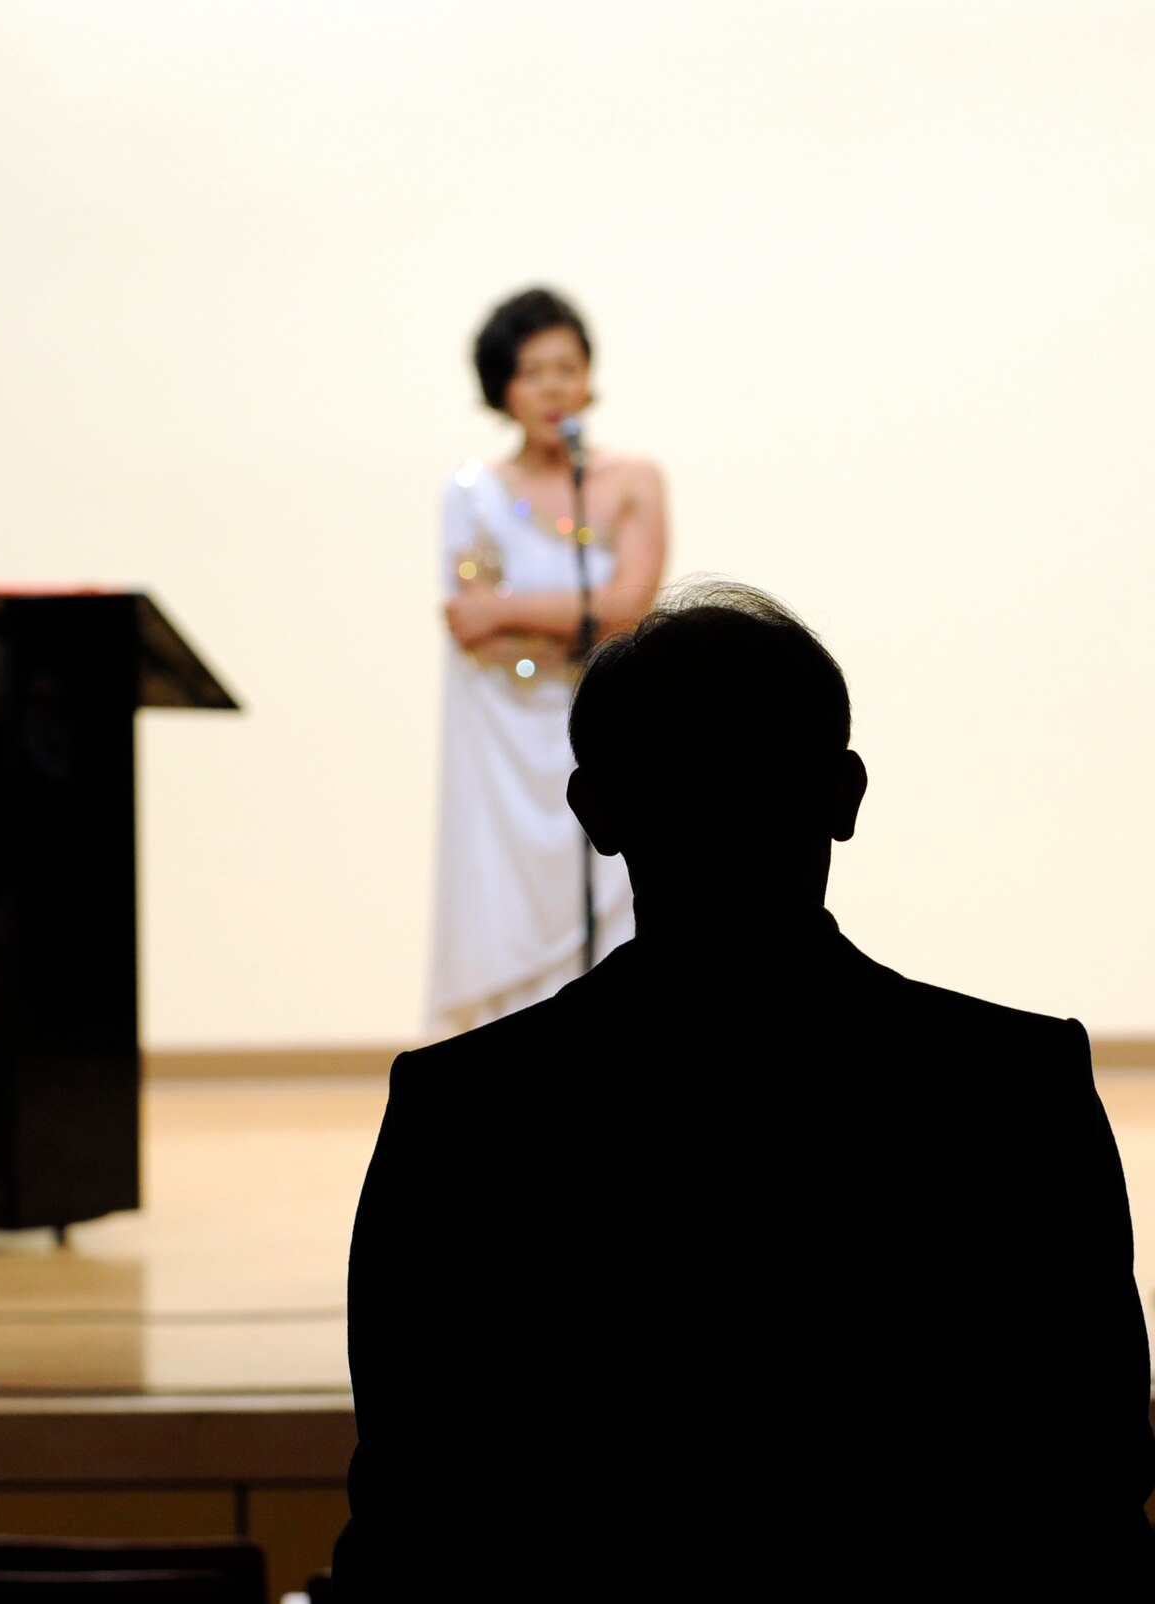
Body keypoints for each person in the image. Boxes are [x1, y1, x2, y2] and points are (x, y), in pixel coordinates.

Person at [339, 583, 1155, 1594]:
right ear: (843, 794)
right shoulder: (1014, 1085)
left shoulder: (462, 1109)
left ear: (591, 814)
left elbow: (411, 1515)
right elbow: (1089, 1485)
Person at [428, 287, 666, 1034]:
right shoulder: (471, 494)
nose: (555, 387)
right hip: (504, 740)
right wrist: (564, 623)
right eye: (534, 372)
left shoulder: (633, 480)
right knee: (506, 897)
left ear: (591, 377)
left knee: (614, 888)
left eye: (568, 367)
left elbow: (630, 608)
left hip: (601, 721)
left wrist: (511, 611)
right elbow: (469, 623)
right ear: (503, 388)